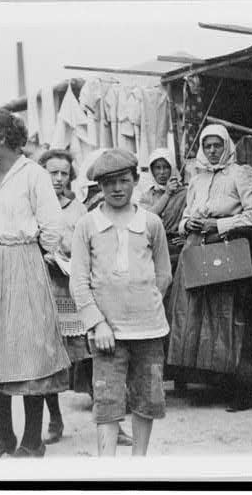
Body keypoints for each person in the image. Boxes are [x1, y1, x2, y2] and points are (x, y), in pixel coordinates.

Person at [0, 109, 71, 458]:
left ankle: (32, 440)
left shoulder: (33, 175)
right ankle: (4, 435)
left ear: (2, 139)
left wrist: (33, 256)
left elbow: (53, 225)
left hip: (24, 262)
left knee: (29, 350)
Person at [70, 148, 172, 456]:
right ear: (98, 186)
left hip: (149, 331)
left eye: (123, 181)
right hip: (107, 335)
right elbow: (79, 280)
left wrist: (147, 308)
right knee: (108, 402)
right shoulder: (87, 225)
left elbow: (163, 274)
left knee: (148, 398)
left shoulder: (151, 223)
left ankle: (139, 464)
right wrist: (98, 323)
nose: (117, 189)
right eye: (109, 182)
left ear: (135, 180)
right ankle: (108, 470)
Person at [166, 124, 252, 411]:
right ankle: (211, 381)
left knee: (227, 318)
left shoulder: (241, 173)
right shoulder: (197, 180)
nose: (212, 151)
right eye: (208, 146)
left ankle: (240, 389)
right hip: (197, 249)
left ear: (227, 146)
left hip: (227, 251)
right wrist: (189, 224)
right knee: (198, 317)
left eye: (217, 145)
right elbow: (184, 218)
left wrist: (219, 224)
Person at [36, 149, 87, 445]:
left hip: (67, 290)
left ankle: (109, 418)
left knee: (80, 352)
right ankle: (54, 417)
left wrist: (67, 257)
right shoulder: (33, 206)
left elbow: (83, 243)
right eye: (52, 172)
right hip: (41, 289)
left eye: (63, 173)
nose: (57, 179)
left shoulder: (77, 209)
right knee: (47, 355)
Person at [136, 148, 188, 270]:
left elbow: (193, 218)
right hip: (153, 250)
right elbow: (147, 218)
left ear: (172, 169)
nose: (162, 172)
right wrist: (167, 194)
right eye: (157, 168)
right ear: (152, 171)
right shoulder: (147, 195)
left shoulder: (185, 193)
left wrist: (187, 240)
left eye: (166, 167)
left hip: (177, 249)